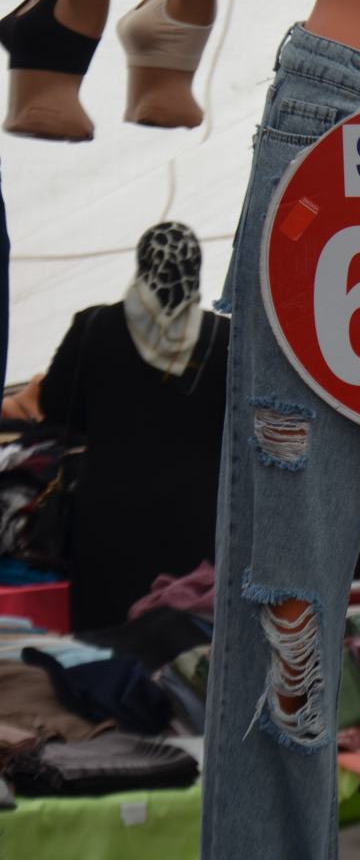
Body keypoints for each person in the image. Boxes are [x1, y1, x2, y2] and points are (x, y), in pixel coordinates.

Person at [31, 222, 228, 630]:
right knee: (189, 633)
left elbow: (53, 403)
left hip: (107, 513)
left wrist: (108, 423)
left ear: (142, 264)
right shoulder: (223, 336)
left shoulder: (92, 327)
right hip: (197, 513)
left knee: (109, 637)